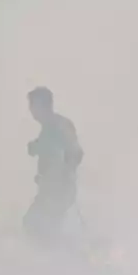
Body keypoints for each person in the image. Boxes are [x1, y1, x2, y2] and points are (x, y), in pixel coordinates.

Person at [23, 86, 83, 245]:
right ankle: (55, 258)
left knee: (38, 225)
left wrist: (65, 173)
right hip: (50, 189)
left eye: (33, 105)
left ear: (42, 105)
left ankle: (61, 258)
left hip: (58, 190)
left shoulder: (60, 125)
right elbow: (47, 147)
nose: (31, 110)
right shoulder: (49, 128)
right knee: (38, 226)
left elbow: (75, 152)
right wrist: (35, 147)